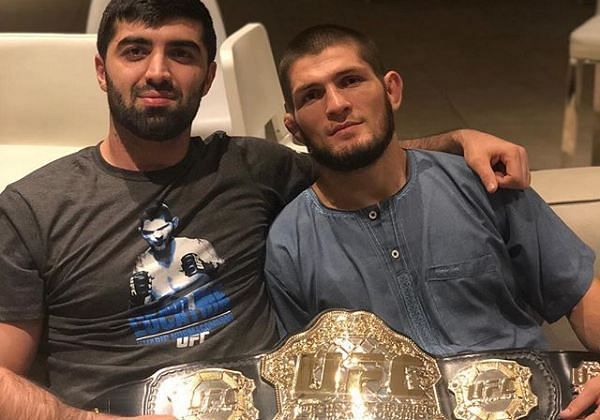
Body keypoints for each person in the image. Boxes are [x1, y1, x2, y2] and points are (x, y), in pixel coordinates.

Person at [0, 1, 531, 418]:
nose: (158, 71)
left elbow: (356, 150)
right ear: (101, 69)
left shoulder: (251, 167)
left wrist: (459, 139)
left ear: (208, 78)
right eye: (135, 51)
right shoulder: (32, 208)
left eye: (181, 54)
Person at [264, 24, 600, 419]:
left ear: (391, 91)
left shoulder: (482, 184)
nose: (336, 104)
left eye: (350, 80)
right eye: (312, 95)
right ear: (294, 127)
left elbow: (578, 291)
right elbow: (306, 389)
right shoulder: (289, 243)